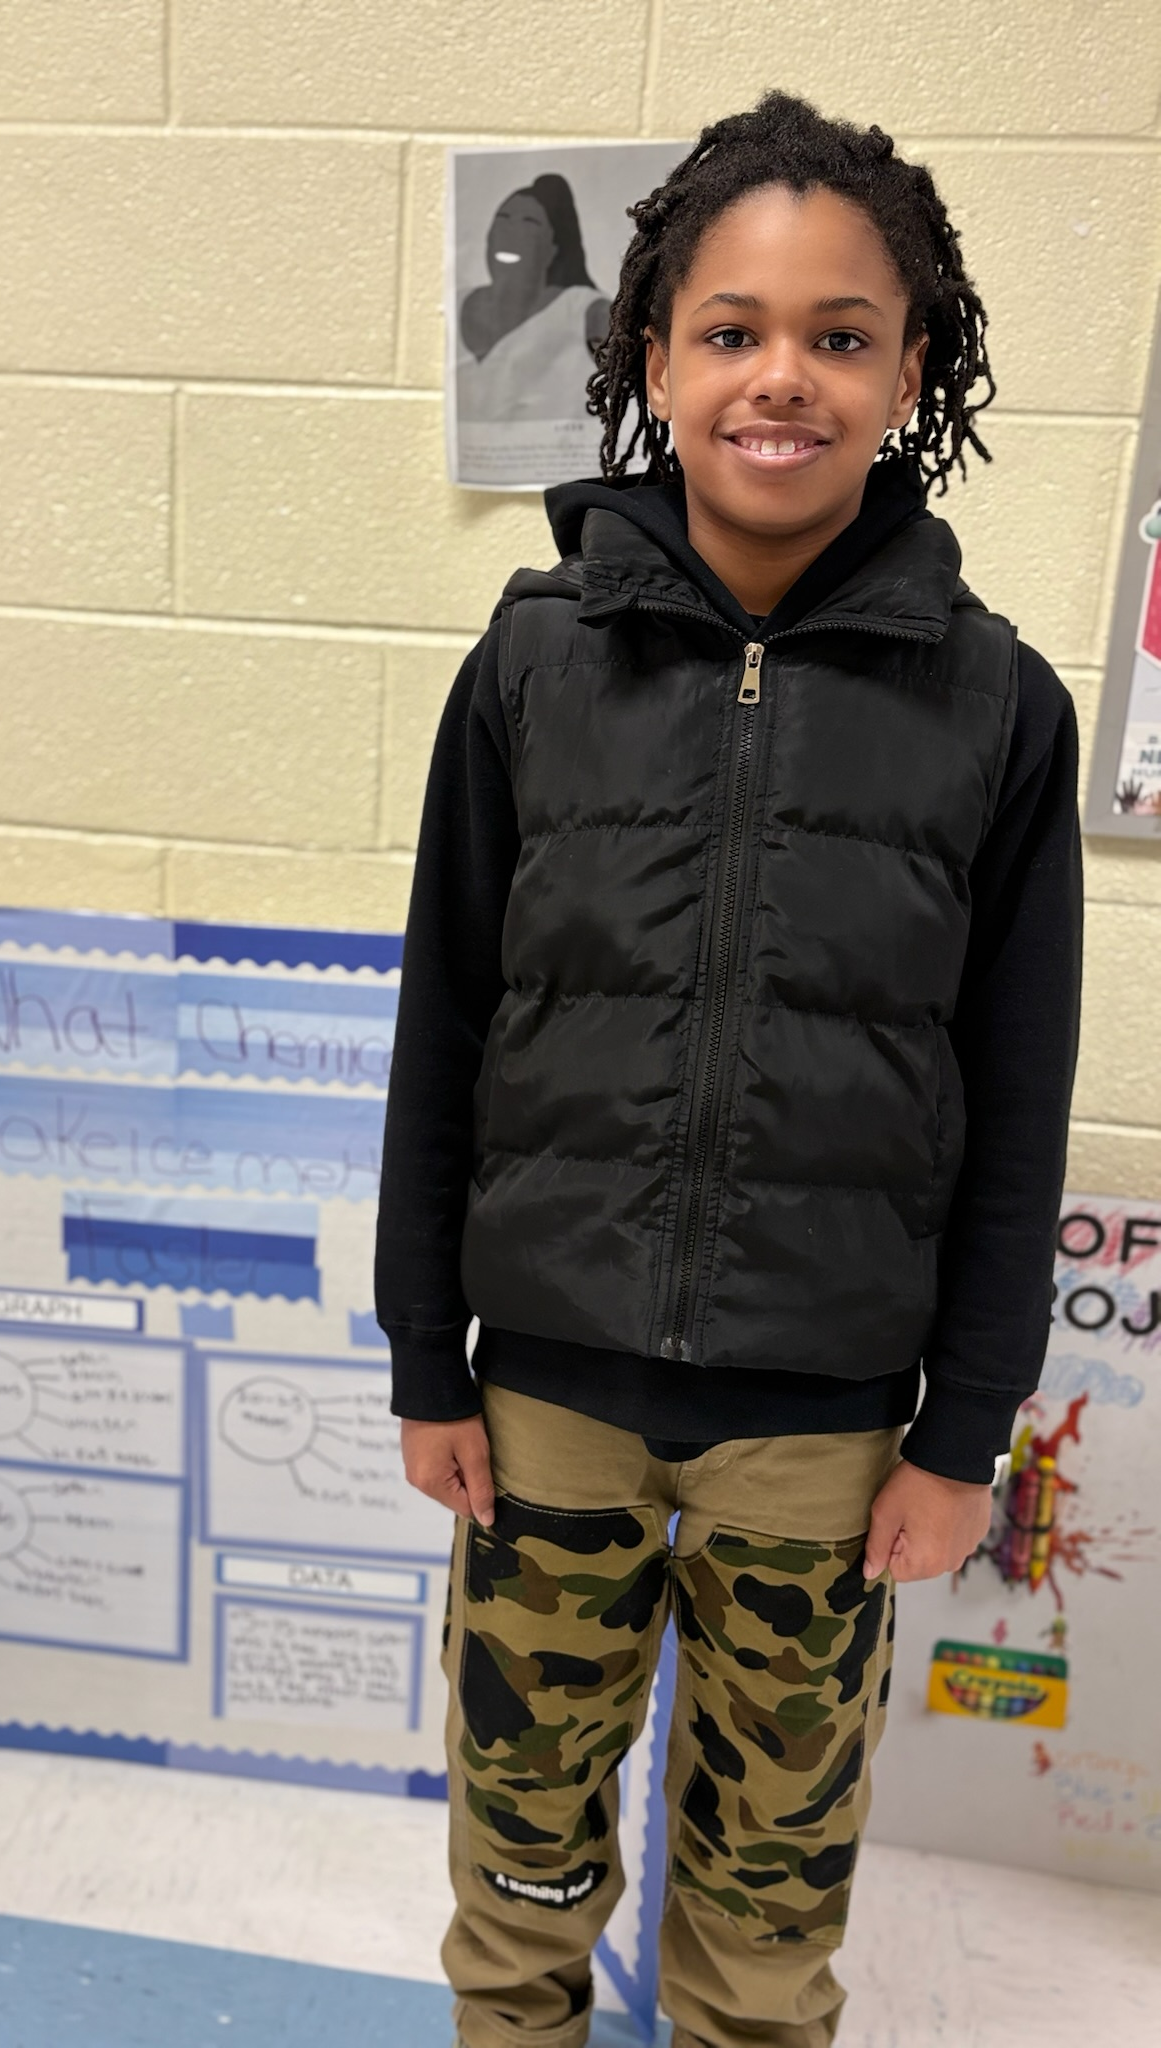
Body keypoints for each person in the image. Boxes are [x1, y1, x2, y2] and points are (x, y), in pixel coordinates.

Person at [376, 92, 1081, 2048]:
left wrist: (963, 1430)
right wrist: (428, 1350)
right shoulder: (533, 665)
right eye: (733, 329)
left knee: (771, 1903)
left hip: (825, 1436)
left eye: (841, 335)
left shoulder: (999, 709)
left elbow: (1013, 1097)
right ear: (655, 356)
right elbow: (448, 1024)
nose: (784, 377)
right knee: (521, 1864)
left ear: (911, 372)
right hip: (548, 1409)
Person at [457, 174, 611, 424]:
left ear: (553, 248)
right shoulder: (456, 303)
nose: (510, 233)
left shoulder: (585, 311)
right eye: (503, 219)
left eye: (529, 223)